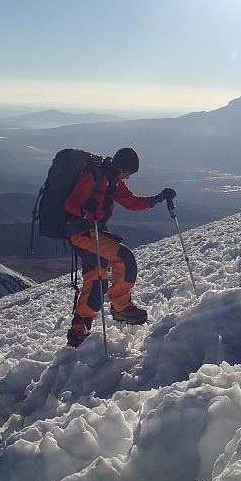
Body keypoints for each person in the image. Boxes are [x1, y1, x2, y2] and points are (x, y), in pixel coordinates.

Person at [64, 147, 176, 348]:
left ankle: (78, 332)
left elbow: (132, 202)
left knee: (96, 281)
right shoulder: (94, 177)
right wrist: (83, 208)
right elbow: (69, 203)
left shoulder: (114, 182)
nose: (128, 178)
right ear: (121, 167)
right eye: (128, 173)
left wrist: (159, 198)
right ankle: (121, 307)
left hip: (94, 233)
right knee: (124, 259)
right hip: (82, 234)